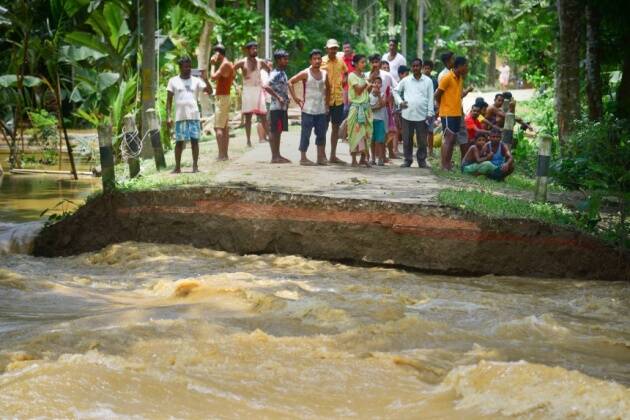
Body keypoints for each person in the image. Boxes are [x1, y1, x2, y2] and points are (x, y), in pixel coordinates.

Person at [166, 56, 211, 173]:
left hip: (194, 116)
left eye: (189, 66)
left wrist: (205, 79)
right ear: (180, 67)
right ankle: (177, 167)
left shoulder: (196, 81)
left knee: (194, 141)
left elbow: (209, 91)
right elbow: (169, 100)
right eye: (185, 67)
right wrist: (168, 116)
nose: (188, 69)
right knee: (179, 142)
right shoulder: (173, 81)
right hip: (180, 116)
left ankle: (195, 167)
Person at [288, 49, 330, 166]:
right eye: (314, 59)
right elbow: (290, 82)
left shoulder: (325, 74)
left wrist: (327, 104)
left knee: (321, 134)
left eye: (319, 58)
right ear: (310, 60)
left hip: (321, 110)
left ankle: (320, 158)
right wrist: (296, 98)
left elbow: (329, 88)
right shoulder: (305, 73)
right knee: (305, 134)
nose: (317, 61)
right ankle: (303, 158)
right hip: (308, 109)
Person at [394, 58, 434, 168]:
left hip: (422, 115)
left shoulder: (428, 81)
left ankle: (422, 161)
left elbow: (430, 97)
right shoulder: (406, 80)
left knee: (422, 140)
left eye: (417, 66)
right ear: (411, 67)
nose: (415, 68)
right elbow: (395, 91)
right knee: (407, 139)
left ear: (421, 67)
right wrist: (400, 102)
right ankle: (408, 160)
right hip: (407, 114)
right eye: (414, 66)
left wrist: (430, 113)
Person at [435, 56, 473, 170]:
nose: (467, 68)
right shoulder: (446, 77)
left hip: (457, 113)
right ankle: (444, 165)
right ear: (460, 66)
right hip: (447, 113)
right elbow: (437, 94)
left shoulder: (460, 78)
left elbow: (458, 95)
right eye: (465, 66)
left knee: (452, 140)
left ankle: (448, 164)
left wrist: (466, 92)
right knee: (448, 138)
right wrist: (442, 106)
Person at [234, 41, 272, 147]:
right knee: (248, 117)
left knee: (263, 115)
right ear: (247, 50)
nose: (255, 50)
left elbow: (269, 69)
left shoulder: (260, 62)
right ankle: (248, 140)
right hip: (247, 90)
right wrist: (235, 84)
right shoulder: (242, 62)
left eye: (256, 48)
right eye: (252, 48)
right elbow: (232, 70)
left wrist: (268, 81)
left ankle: (269, 136)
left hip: (258, 90)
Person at [321, 39, 348, 164]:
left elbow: (346, 71)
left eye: (335, 48)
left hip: (338, 99)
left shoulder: (340, 61)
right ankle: (322, 155)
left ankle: (333, 155)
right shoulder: (321, 61)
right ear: (326, 48)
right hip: (325, 100)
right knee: (323, 127)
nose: (333, 50)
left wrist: (344, 81)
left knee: (335, 128)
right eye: (331, 48)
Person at [366, 54, 396, 162]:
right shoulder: (366, 75)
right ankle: (372, 158)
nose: (375, 64)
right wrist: (370, 80)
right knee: (372, 139)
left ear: (380, 62)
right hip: (370, 117)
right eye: (373, 61)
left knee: (381, 139)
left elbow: (394, 89)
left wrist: (389, 100)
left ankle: (382, 158)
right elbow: (365, 94)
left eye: (377, 61)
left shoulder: (387, 75)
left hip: (382, 116)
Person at [263, 50, 291, 164]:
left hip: (282, 107)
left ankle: (278, 155)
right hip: (275, 106)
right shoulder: (275, 73)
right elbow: (266, 86)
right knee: (274, 130)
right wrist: (278, 97)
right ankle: (274, 156)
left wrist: (286, 97)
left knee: (278, 130)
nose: (286, 61)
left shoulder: (283, 72)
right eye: (284, 59)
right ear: (278, 60)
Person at [209, 44, 235, 161]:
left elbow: (213, 77)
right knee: (224, 127)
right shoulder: (228, 64)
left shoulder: (225, 64)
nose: (214, 56)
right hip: (224, 97)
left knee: (218, 128)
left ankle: (221, 155)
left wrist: (212, 65)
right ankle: (224, 154)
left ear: (218, 53)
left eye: (215, 53)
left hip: (222, 98)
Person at [347, 54, 373, 167]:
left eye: (364, 62)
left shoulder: (364, 76)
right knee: (354, 133)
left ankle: (363, 158)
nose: (364, 64)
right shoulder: (352, 76)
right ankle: (353, 159)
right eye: (362, 62)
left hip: (366, 108)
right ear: (356, 64)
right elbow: (358, 91)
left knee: (366, 134)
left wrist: (369, 83)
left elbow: (368, 91)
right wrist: (367, 82)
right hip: (356, 108)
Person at [369, 76, 387, 166]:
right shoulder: (369, 95)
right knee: (372, 140)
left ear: (381, 85)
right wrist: (375, 107)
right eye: (375, 82)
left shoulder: (383, 94)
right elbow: (369, 107)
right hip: (371, 120)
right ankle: (372, 158)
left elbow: (382, 104)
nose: (377, 84)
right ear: (372, 84)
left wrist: (379, 95)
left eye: (379, 83)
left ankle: (380, 158)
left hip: (380, 120)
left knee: (380, 141)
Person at [422, 59, 438, 156]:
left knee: (430, 131)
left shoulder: (434, 80)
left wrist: (437, 107)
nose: (427, 70)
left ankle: (430, 150)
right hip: (421, 108)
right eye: (425, 68)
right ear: (422, 69)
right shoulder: (420, 79)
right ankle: (423, 149)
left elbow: (437, 94)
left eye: (429, 68)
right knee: (422, 131)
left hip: (431, 108)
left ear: (431, 69)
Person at [341, 41, 355, 118]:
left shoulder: (356, 59)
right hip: (344, 88)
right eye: (345, 48)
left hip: (354, 87)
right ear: (343, 49)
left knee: (352, 109)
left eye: (348, 47)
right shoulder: (340, 60)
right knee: (345, 109)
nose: (346, 49)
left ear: (351, 48)